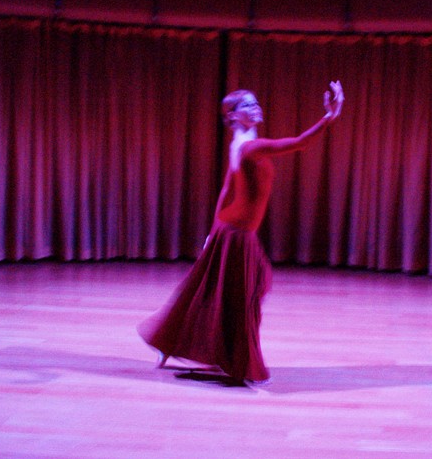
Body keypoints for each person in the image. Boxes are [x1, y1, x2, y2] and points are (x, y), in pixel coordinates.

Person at [137, 81, 344, 385]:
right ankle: (231, 360)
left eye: (255, 102)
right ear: (233, 116)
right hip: (236, 234)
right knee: (237, 297)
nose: (255, 107)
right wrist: (330, 116)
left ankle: (186, 346)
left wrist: (213, 231)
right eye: (247, 104)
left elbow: (226, 190)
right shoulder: (249, 148)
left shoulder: (240, 145)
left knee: (225, 293)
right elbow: (300, 143)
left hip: (233, 231)